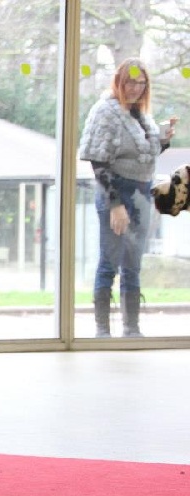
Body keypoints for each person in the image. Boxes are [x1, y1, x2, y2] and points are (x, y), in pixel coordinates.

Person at [79, 58, 176, 338]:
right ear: (119, 82)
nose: (136, 88)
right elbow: (98, 162)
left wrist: (163, 139)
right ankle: (102, 330)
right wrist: (115, 205)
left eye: (141, 83)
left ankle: (131, 328)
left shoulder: (141, 114)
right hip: (116, 193)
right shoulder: (105, 111)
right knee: (109, 261)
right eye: (131, 82)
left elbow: (145, 156)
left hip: (142, 193)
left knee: (133, 264)